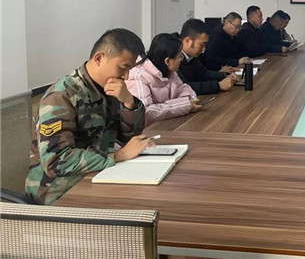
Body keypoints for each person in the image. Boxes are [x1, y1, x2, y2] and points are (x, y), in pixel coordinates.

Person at [26, 29, 152, 205]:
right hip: (57, 193)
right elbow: (56, 162)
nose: (126, 76)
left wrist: (129, 103)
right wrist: (118, 155)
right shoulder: (61, 96)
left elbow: (127, 139)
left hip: (96, 177)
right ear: (99, 58)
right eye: (123, 67)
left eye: (130, 69)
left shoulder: (109, 89)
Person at [126, 33, 203, 126]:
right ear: (167, 61)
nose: (181, 59)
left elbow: (183, 88)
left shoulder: (170, 72)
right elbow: (145, 111)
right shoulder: (138, 76)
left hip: (168, 124)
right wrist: (183, 105)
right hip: (147, 130)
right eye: (179, 56)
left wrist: (188, 101)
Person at [178, 18, 237, 95]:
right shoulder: (173, 57)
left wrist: (225, 76)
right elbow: (183, 87)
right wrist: (218, 86)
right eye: (202, 45)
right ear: (188, 41)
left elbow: (203, 73)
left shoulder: (190, 56)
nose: (204, 49)